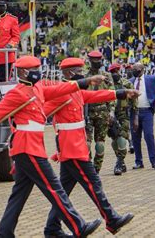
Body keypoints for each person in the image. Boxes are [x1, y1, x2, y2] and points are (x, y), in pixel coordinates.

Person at [0, 55, 105, 238]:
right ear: (23, 72)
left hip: (31, 148)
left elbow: (61, 88)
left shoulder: (37, 88)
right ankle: (78, 226)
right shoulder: (17, 93)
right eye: (34, 70)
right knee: (54, 189)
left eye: (38, 69)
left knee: (19, 195)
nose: (38, 73)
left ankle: (5, 233)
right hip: (27, 148)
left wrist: (85, 81)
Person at [43, 58, 136, 237]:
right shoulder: (61, 94)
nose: (83, 73)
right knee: (93, 183)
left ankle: (52, 228)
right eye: (79, 70)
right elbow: (41, 112)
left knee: (63, 191)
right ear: (70, 73)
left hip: (76, 147)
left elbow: (95, 96)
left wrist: (123, 92)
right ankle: (111, 218)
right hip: (71, 149)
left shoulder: (76, 91)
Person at [130, 63, 155, 170]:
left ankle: (154, 161)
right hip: (134, 113)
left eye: (135, 69)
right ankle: (138, 162)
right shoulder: (131, 81)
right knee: (135, 138)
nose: (133, 71)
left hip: (147, 112)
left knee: (149, 136)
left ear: (142, 70)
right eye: (133, 69)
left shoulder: (151, 79)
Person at [84, 50, 115, 173]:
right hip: (88, 112)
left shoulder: (107, 76)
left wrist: (111, 111)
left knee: (100, 144)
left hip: (103, 112)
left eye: (98, 60)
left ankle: (96, 169)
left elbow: (112, 94)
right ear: (90, 61)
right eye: (94, 60)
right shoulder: (86, 77)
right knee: (86, 143)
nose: (97, 62)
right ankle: (89, 168)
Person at [108, 63, 138, 175]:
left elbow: (134, 101)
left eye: (116, 71)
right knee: (114, 141)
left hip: (123, 114)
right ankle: (121, 161)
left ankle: (119, 164)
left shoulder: (126, 83)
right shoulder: (107, 84)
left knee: (122, 138)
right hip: (110, 115)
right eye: (112, 72)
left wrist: (135, 117)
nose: (115, 74)